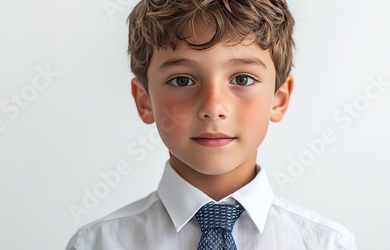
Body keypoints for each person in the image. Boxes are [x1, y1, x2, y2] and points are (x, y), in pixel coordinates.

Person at [67, 0, 357, 249]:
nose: (213, 107)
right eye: (182, 80)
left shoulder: (327, 244)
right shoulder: (97, 243)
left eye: (242, 79)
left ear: (278, 99)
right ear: (145, 101)